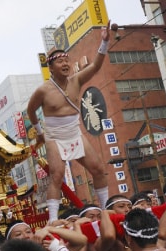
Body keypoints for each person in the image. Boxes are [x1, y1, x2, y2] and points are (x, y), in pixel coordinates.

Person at [27, 22, 111, 223]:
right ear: (50, 67)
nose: (65, 64)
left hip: (75, 132)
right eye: (59, 61)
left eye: (67, 60)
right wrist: (39, 132)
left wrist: (105, 42)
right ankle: (53, 218)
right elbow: (31, 111)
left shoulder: (76, 80)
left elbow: (96, 65)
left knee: (99, 169)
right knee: (56, 176)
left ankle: (106, 208)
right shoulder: (43, 90)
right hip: (54, 136)